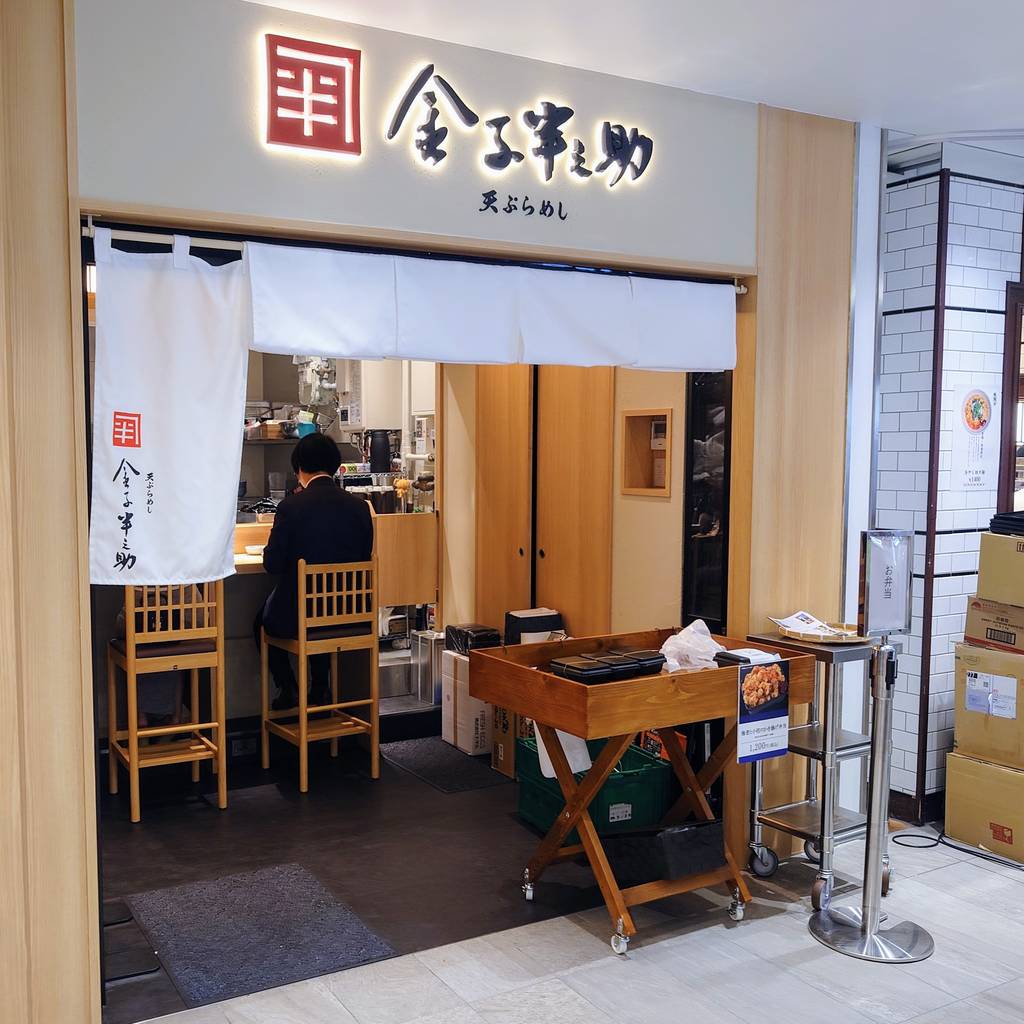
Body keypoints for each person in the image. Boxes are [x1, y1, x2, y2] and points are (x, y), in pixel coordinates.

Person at [254, 433, 374, 709]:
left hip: (304, 617)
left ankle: (288, 688)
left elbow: (272, 564)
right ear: (334, 466)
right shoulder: (360, 507)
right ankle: (320, 688)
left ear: (299, 468)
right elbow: (363, 555)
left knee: (262, 620)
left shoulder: (290, 507)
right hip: (350, 613)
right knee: (320, 609)